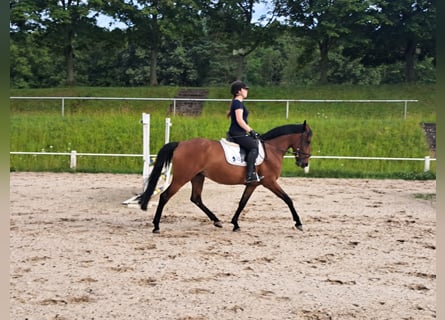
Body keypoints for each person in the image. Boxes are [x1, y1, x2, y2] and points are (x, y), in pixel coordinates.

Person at [227, 80, 263, 184]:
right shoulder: (238, 103)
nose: (246, 91)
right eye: (245, 89)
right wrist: (251, 131)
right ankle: (250, 175)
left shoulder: (238, 103)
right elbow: (239, 120)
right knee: (254, 147)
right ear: (238, 91)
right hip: (237, 133)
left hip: (240, 133)